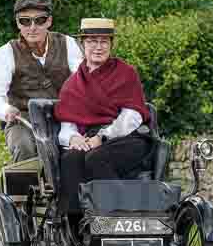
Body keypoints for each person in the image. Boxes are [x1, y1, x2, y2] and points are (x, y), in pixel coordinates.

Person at [54, 18, 152, 218]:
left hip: (126, 138)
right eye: (92, 41)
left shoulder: (126, 73)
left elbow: (132, 116)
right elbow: (67, 125)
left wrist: (103, 137)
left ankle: (118, 216)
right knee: (71, 159)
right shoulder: (72, 84)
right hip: (88, 139)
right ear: (83, 44)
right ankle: (75, 223)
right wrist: (73, 138)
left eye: (104, 42)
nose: (98, 47)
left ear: (111, 44)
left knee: (96, 158)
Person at [0, 0, 83, 162]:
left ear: (49, 21)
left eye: (39, 20)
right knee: (24, 147)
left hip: (65, 116)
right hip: (23, 121)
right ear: (18, 23)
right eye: (25, 21)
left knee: (83, 151)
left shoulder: (68, 44)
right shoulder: (4, 54)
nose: (32, 27)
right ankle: (25, 188)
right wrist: (6, 110)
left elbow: (83, 83)